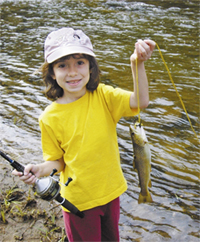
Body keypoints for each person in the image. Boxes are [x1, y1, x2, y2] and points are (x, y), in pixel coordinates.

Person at [12, 27, 155, 241]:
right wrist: (39, 169)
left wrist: (138, 63)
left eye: (80, 62)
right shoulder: (48, 118)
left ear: (90, 66)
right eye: (62, 65)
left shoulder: (104, 96)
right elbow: (57, 162)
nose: (72, 72)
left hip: (111, 193)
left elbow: (141, 101)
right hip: (78, 201)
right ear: (52, 72)